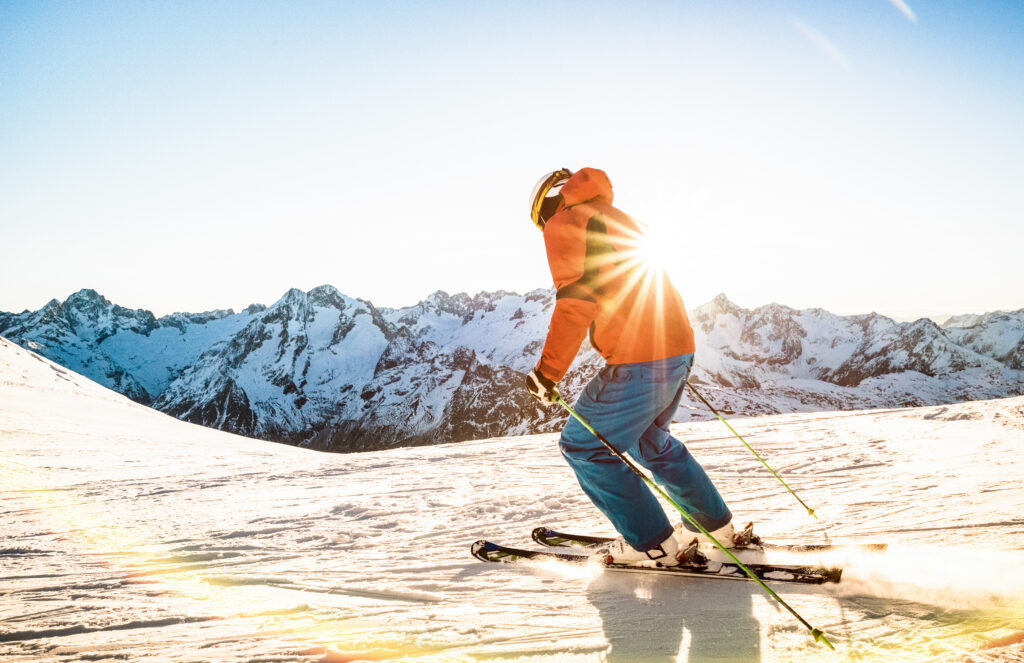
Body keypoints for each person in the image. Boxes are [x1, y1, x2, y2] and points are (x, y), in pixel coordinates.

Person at [524, 167, 735, 565]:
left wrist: (547, 373)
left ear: (546, 207)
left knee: (582, 446)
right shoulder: (621, 220)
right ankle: (713, 526)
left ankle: (651, 543)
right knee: (651, 443)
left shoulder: (565, 222)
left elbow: (575, 302)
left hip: (641, 356)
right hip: (676, 348)